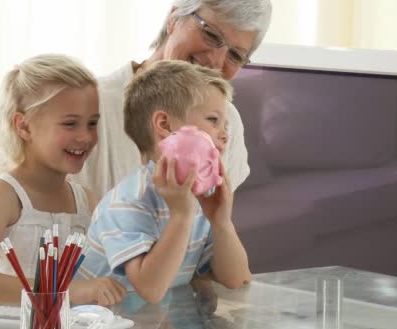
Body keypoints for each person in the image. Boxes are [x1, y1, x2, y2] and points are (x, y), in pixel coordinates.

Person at [0, 54, 126, 305]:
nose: (85, 137)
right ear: (24, 126)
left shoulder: (86, 201)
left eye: (92, 123)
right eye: (70, 124)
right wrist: (70, 291)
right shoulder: (3, 195)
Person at [77, 60, 251, 304]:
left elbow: (236, 280)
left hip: (150, 325)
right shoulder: (127, 202)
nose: (224, 134)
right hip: (95, 328)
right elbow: (151, 290)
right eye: (213, 120)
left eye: (226, 125)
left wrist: (221, 222)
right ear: (165, 125)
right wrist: (181, 215)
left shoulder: (202, 198)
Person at [72, 0, 272, 199]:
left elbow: (213, 225)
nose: (216, 61)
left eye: (235, 55)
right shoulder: (89, 106)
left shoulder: (228, 122)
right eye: (211, 35)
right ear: (173, 19)